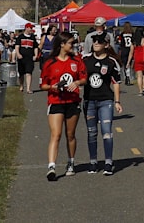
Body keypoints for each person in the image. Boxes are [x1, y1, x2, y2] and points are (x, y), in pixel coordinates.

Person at [40, 30, 87, 181]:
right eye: (71, 43)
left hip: (72, 101)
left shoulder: (77, 61)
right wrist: (52, 87)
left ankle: (71, 162)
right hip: (56, 101)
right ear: (62, 44)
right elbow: (43, 85)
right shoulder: (50, 62)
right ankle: (51, 166)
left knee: (70, 134)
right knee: (56, 134)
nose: (73, 46)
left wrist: (77, 82)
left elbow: (84, 78)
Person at [83, 33, 122, 175]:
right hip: (89, 101)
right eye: (94, 41)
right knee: (91, 132)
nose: (96, 43)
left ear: (106, 44)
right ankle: (93, 161)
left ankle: (108, 162)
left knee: (106, 132)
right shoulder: (85, 59)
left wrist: (117, 101)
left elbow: (116, 82)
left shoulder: (111, 62)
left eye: (99, 41)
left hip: (105, 100)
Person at [127, 27, 144, 95]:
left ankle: (140, 90)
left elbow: (131, 52)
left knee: (139, 76)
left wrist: (128, 62)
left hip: (137, 58)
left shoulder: (134, 41)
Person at [15, 22, 38, 94]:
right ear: (26, 28)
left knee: (29, 73)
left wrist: (35, 55)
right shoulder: (20, 37)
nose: (31, 29)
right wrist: (18, 54)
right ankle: (21, 85)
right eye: (30, 28)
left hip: (30, 58)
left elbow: (35, 47)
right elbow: (17, 46)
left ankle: (28, 88)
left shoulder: (33, 37)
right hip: (21, 58)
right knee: (21, 73)